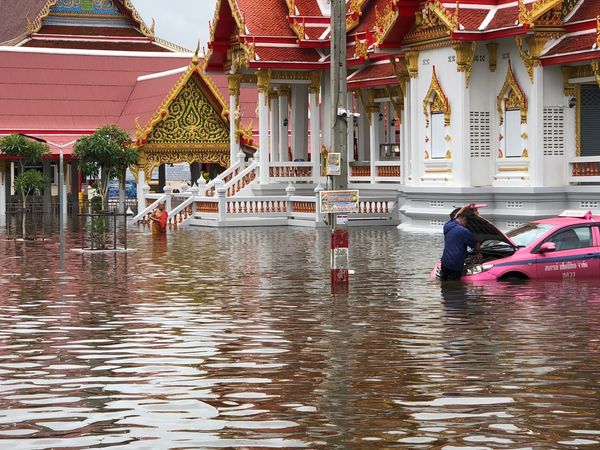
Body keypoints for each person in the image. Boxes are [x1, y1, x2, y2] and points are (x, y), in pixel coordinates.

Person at [440, 204, 480, 281]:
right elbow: (476, 245)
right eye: (466, 222)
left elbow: (456, 216)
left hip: (444, 262)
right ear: (464, 219)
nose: (466, 224)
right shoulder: (464, 231)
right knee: (454, 287)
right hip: (455, 264)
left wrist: (465, 207)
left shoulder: (447, 225)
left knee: (444, 284)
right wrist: (477, 254)